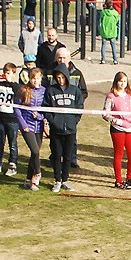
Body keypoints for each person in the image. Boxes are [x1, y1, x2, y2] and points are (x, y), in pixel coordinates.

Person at [43, 63, 84, 192]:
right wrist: (53, 121)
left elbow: (80, 106)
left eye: (62, 77)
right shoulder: (51, 90)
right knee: (56, 155)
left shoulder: (75, 90)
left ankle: (65, 179)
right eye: (58, 77)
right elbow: (46, 107)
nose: (60, 80)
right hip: (56, 130)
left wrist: (74, 121)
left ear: (67, 76)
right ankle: (57, 180)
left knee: (67, 156)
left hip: (70, 130)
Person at [103, 72, 131, 189]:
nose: (123, 84)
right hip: (117, 129)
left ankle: (130, 178)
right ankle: (118, 180)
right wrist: (116, 121)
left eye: (125, 81)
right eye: (120, 81)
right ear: (116, 82)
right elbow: (105, 114)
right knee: (119, 154)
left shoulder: (130, 95)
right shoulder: (111, 96)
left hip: (130, 127)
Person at [15, 68, 46, 190]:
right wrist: (23, 125)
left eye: (38, 78)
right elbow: (16, 108)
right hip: (27, 126)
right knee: (35, 151)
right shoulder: (23, 90)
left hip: (39, 126)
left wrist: (40, 116)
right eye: (33, 78)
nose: (35, 81)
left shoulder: (44, 91)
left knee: (34, 154)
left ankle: (28, 180)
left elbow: (46, 109)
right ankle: (37, 173)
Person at [99, 0, 120, 65]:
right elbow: (117, 21)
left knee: (103, 45)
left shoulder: (103, 12)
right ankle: (115, 59)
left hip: (105, 31)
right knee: (113, 46)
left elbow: (101, 20)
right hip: (112, 31)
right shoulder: (115, 13)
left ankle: (103, 59)